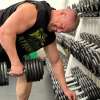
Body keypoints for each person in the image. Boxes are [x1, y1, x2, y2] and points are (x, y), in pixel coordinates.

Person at [0, 0, 79, 100]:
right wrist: (15, 62)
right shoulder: (34, 10)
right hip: (3, 38)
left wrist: (65, 89)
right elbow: (4, 32)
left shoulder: (49, 35)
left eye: (62, 30)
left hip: (7, 49)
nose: (59, 30)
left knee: (29, 73)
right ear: (62, 13)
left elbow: (55, 62)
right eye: (61, 27)